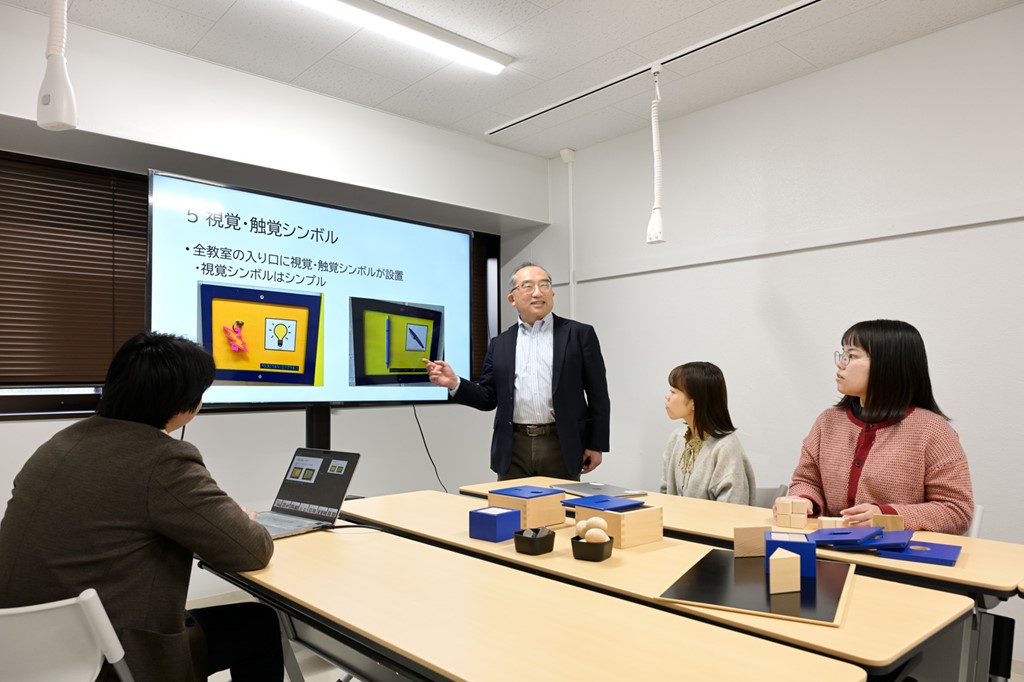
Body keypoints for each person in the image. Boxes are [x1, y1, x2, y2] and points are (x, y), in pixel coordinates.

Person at [0, 332, 282, 682]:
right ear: (186, 402)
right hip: (110, 660)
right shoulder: (163, 460)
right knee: (259, 623)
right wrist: (240, 521)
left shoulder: (59, 443)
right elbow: (252, 550)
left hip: (24, 653)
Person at [776, 319, 973, 534]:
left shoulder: (933, 431)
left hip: (895, 553)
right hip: (829, 547)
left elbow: (956, 511)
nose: (841, 364)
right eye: (842, 354)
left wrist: (886, 516)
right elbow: (807, 481)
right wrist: (804, 500)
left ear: (887, 364)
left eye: (852, 356)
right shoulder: (827, 422)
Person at [424, 262, 610, 481]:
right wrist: (455, 383)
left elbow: (598, 395)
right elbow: (488, 398)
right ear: (512, 298)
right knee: (510, 503)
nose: (538, 292)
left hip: (561, 443)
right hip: (513, 447)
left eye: (544, 285)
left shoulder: (579, 334)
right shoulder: (500, 343)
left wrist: (596, 444)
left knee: (561, 503)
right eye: (528, 286)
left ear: (552, 293)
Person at [660, 362, 755, 504]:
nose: (667, 396)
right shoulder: (676, 439)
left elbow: (733, 508)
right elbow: (664, 494)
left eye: (673, 392)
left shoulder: (725, 447)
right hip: (672, 518)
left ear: (694, 403)